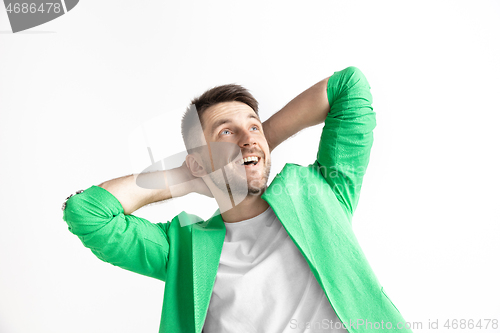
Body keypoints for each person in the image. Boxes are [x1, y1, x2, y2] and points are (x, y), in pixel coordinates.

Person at [62, 66, 413, 333]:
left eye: (253, 125)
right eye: (225, 131)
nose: (247, 136)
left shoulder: (318, 192)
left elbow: (349, 87)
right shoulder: (182, 250)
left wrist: (257, 143)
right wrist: (187, 176)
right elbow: (88, 214)